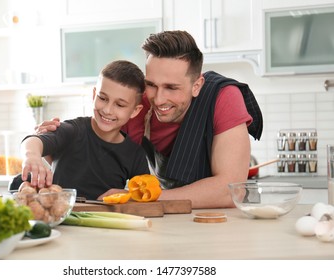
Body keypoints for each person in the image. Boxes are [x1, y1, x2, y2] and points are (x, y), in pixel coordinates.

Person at [35, 31, 263, 209]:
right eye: (151, 84)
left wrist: (144, 198)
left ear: (197, 86)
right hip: (166, 218)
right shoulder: (135, 106)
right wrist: (52, 142)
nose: (158, 98)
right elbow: (88, 144)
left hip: (220, 222)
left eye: (172, 88)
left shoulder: (223, 97)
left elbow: (231, 190)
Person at [19, 60, 150, 200]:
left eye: (120, 104)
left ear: (135, 111)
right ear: (94, 95)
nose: (107, 110)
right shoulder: (71, 130)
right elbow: (33, 141)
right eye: (103, 98)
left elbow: (147, 193)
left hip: (104, 221)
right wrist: (32, 156)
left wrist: (128, 195)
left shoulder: (135, 154)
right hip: (62, 219)